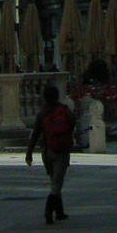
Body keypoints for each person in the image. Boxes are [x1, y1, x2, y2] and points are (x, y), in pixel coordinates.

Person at [25, 83, 76, 225]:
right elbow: (73, 121)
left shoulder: (42, 114)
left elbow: (34, 134)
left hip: (47, 151)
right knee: (57, 183)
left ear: (45, 98)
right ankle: (48, 210)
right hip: (61, 151)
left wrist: (29, 154)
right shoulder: (64, 111)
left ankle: (59, 212)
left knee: (54, 180)